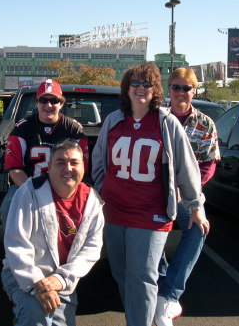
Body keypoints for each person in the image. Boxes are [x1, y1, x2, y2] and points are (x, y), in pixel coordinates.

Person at [92, 62, 204, 326]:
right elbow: (99, 163)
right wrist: (100, 194)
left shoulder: (167, 123)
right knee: (122, 275)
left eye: (147, 84)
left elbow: (186, 167)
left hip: (151, 214)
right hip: (114, 213)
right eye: (135, 83)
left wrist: (195, 205)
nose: (141, 88)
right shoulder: (113, 120)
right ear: (126, 88)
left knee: (142, 278)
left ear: (154, 90)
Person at [1, 140, 104, 326]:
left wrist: (60, 279)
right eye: (60, 162)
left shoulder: (92, 200)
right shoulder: (29, 192)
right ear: (48, 167)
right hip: (22, 274)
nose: (68, 168)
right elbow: (16, 243)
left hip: (62, 280)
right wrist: (37, 284)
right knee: (36, 316)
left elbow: (92, 249)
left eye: (74, 162)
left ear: (83, 166)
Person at [154, 67, 220, 326]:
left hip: (186, 196)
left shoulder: (204, 124)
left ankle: (169, 294)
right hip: (154, 192)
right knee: (155, 226)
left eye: (187, 88)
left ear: (194, 91)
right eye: (176, 87)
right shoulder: (155, 117)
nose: (181, 93)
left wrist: (186, 192)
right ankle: (160, 283)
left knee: (198, 229)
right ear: (168, 90)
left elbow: (208, 165)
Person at [0, 79, 89, 230]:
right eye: (43, 100)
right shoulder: (22, 128)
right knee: (8, 207)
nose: (48, 105)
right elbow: (14, 168)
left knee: (86, 210)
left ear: (61, 103)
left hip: (65, 184)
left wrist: (61, 192)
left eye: (54, 100)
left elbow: (80, 168)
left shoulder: (74, 129)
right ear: (36, 102)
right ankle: (14, 249)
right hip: (28, 184)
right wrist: (34, 192)